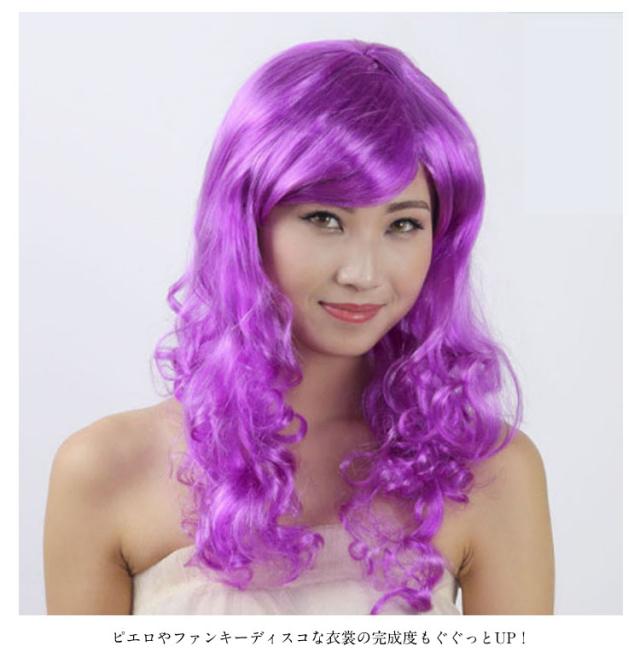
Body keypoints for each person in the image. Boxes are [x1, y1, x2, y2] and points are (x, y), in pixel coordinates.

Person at [43, 39, 554, 615]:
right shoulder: (105, 471)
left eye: (403, 225)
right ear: (246, 223)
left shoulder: (490, 474)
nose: (362, 274)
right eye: (324, 218)